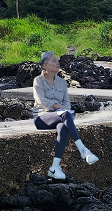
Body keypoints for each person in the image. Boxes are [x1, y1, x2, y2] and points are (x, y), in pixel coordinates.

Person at [32, 51, 99, 179]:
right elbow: (42, 102)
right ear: (45, 65)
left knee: (63, 126)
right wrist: (58, 106)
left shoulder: (62, 82)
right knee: (65, 114)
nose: (58, 63)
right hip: (42, 117)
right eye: (54, 61)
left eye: (58, 60)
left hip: (61, 116)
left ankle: (54, 167)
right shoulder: (38, 81)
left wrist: (62, 108)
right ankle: (84, 151)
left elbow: (67, 104)